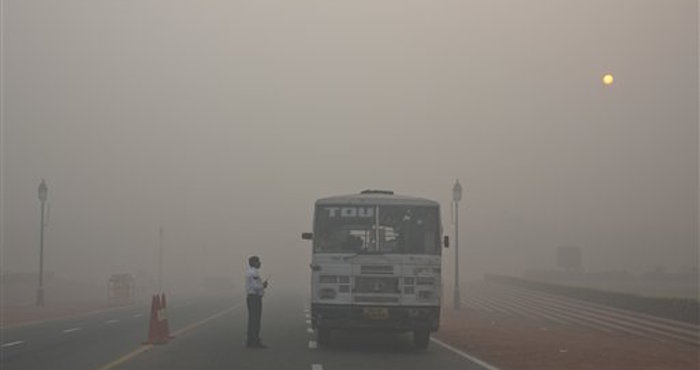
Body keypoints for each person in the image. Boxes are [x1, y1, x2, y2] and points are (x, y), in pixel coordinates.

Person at [245, 256, 268, 348]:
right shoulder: (253, 272)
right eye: (258, 261)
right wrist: (263, 285)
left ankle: (250, 341)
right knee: (255, 320)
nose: (260, 263)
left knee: (252, 320)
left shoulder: (251, 272)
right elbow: (255, 286)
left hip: (252, 297)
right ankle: (255, 341)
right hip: (254, 298)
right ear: (254, 263)